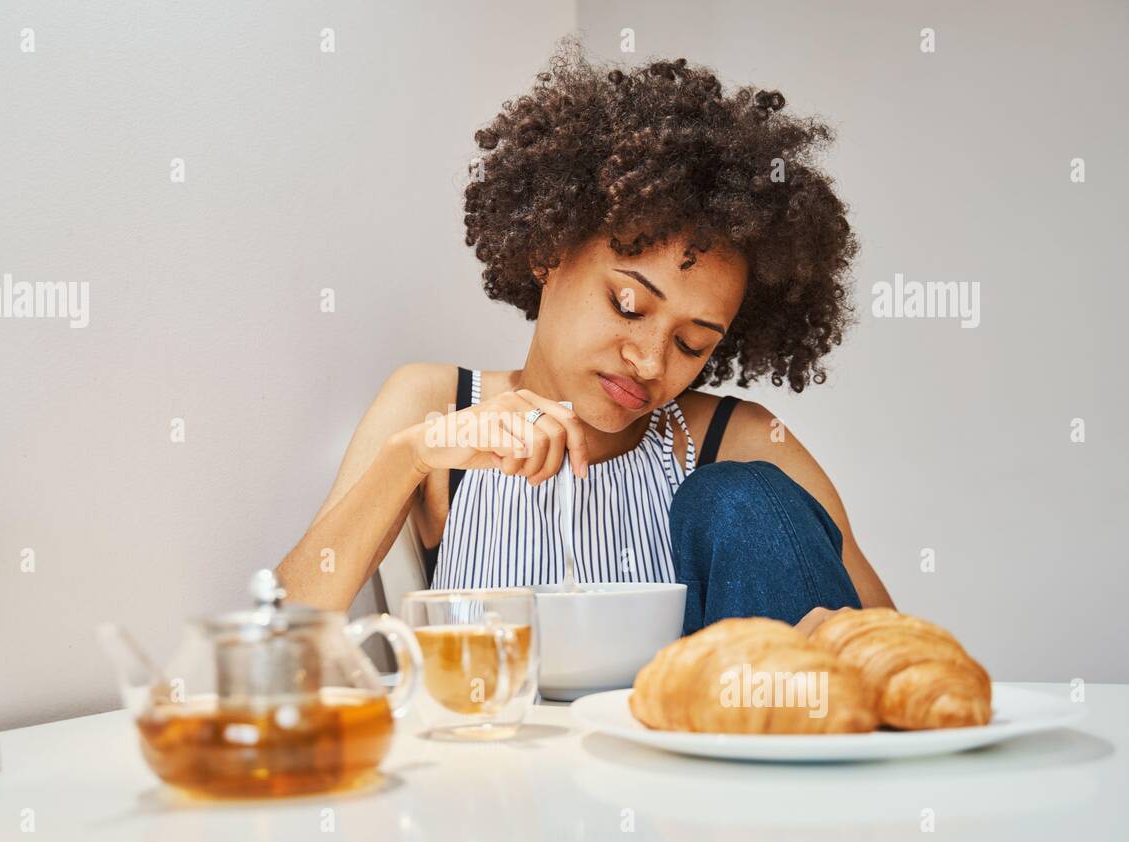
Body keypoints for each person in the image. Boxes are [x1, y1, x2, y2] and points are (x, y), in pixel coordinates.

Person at [278, 39, 894, 636]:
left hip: (697, 735)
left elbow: (888, 645)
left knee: (743, 495)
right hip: (498, 735)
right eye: (628, 305)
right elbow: (280, 639)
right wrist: (414, 455)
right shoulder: (437, 403)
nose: (650, 361)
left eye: (692, 345)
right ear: (548, 250)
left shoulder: (741, 442)